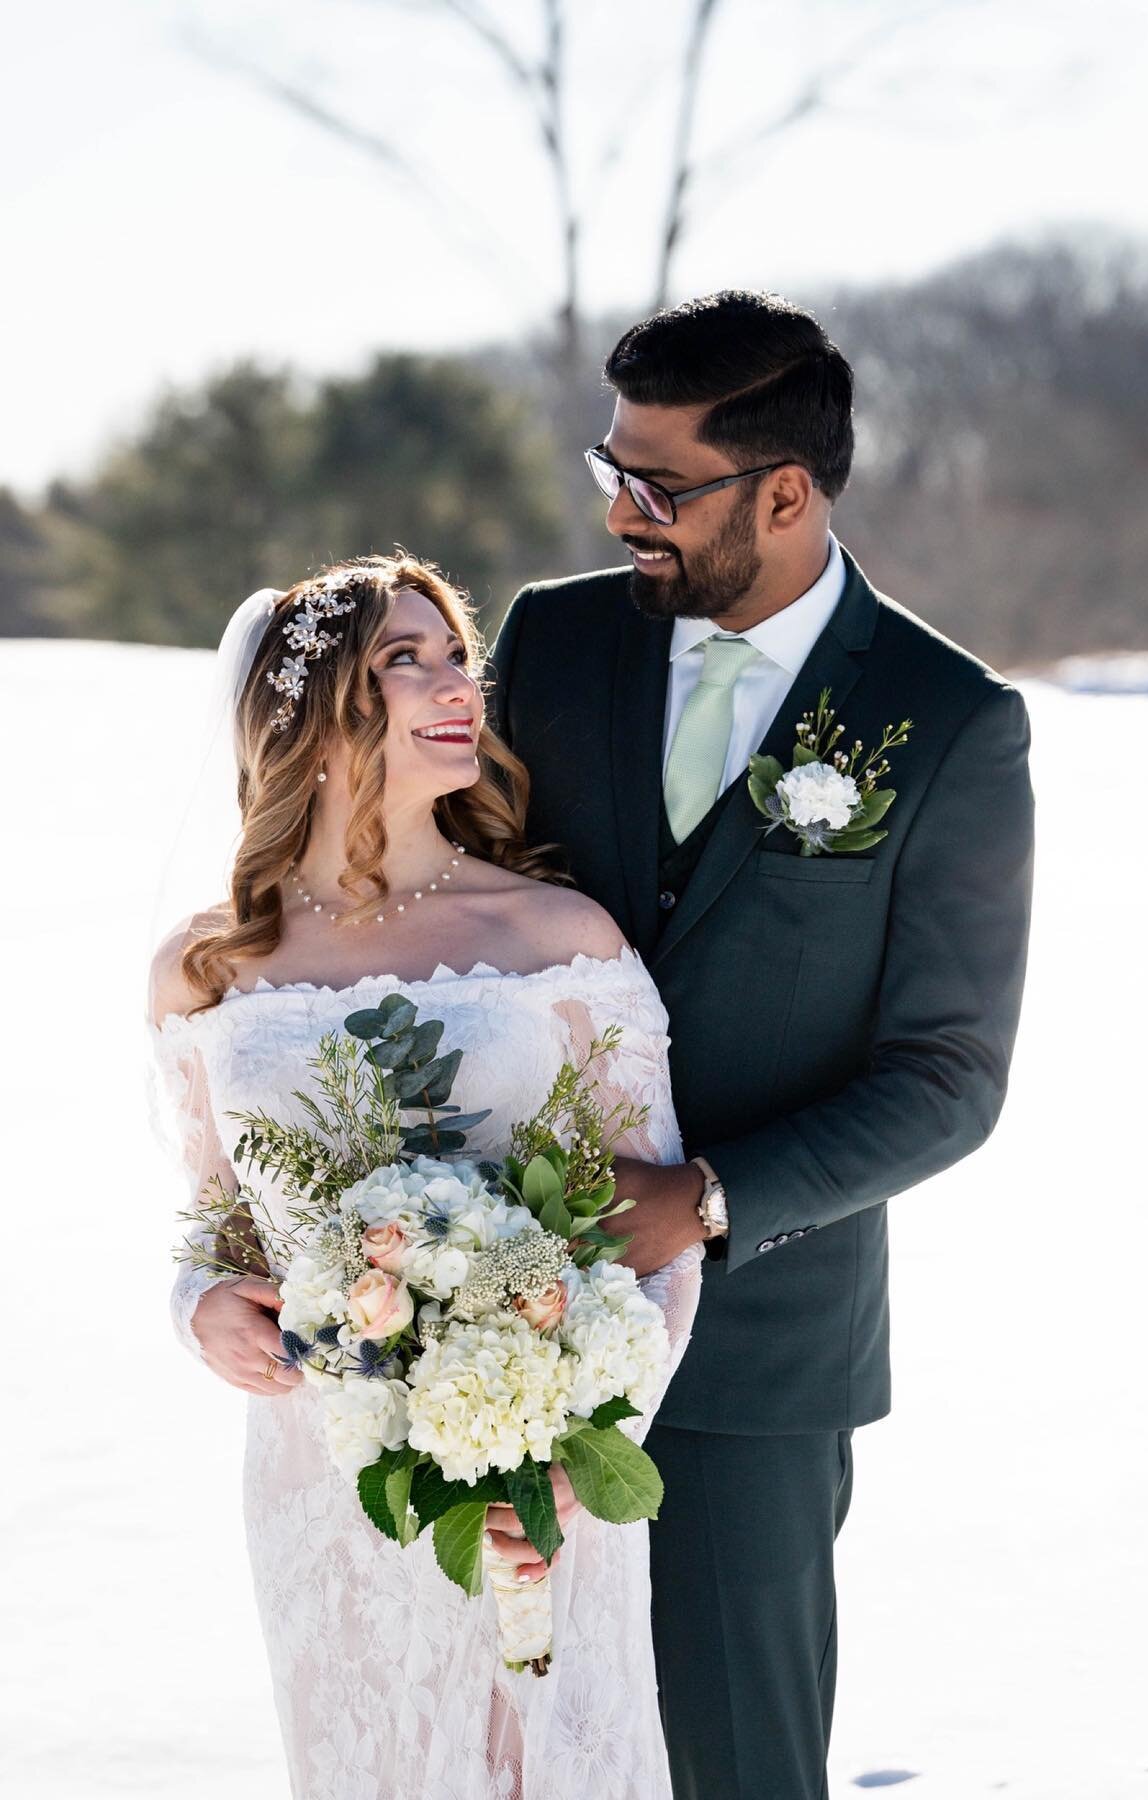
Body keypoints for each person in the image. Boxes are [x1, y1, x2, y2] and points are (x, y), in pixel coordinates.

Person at [487, 289, 1036, 1800]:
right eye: (610, 470)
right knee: (512, 1747)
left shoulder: (947, 721)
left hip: (760, 1353)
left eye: (657, 490)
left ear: (784, 493)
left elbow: (951, 1079)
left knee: (740, 1762)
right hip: (491, 1323)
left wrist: (712, 1197)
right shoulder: (545, 645)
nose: (620, 513)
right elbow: (442, 913)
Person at [148, 552, 702, 1800]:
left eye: (457, 656)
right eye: (407, 659)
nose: (456, 685)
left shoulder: (559, 940)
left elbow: (653, 1231)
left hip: (534, 1472)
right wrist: (198, 1307)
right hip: (321, 1473)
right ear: (312, 712)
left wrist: (580, 1448)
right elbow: (215, 1220)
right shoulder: (209, 965)